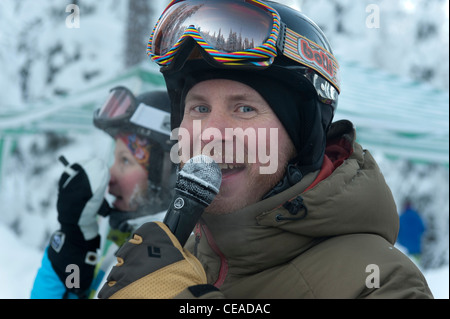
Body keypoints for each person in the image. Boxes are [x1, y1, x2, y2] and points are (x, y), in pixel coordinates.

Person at [98, 0, 433, 299]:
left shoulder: (382, 281)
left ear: (302, 135)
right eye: (199, 109)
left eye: (244, 109)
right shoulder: (182, 253)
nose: (212, 134)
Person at [30, 87, 176, 299]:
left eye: (125, 160)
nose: (110, 175)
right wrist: (72, 249)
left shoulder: (164, 269)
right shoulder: (125, 248)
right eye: (115, 159)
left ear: (166, 173)